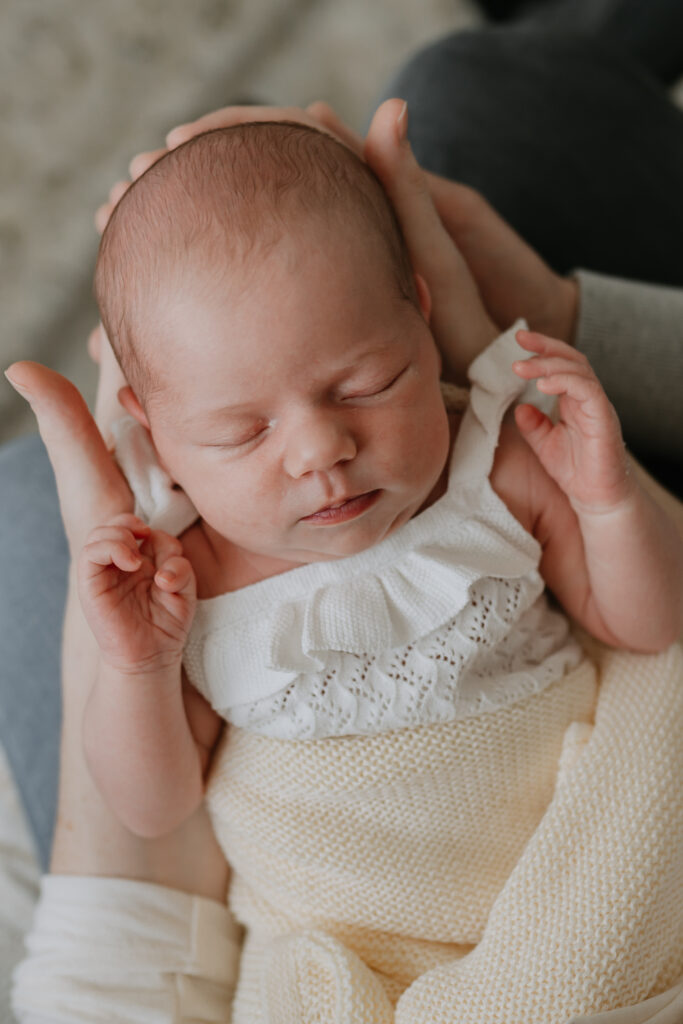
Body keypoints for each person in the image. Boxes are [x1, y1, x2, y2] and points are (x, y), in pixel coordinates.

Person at [2, 0, 683, 1018]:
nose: (321, 448)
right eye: (240, 433)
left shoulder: (488, 468)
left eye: (366, 382)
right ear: (147, 428)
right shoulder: (184, 577)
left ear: (421, 312)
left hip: (563, 879)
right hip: (354, 946)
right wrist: (133, 667)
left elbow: (650, 624)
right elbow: (152, 804)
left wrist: (610, 496)